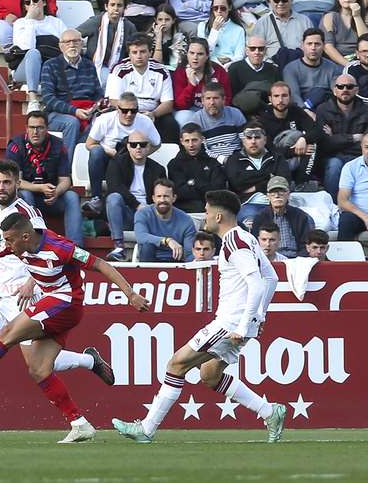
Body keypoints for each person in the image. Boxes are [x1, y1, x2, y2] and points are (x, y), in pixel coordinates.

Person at [0, 207, 150, 444]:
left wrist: (131, 294)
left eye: (10, 240)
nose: (6, 245)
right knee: (38, 369)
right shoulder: (16, 245)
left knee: (8, 333)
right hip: (54, 301)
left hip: (66, 302)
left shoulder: (61, 248)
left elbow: (101, 264)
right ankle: (79, 423)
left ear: (25, 237)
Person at [114, 190, 284, 444]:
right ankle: (270, 412)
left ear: (217, 215)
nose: (203, 215)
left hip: (229, 324)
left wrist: (246, 323)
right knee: (210, 376)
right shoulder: (245, 238)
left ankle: (146, 429)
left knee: (175, 365)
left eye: (205, 211)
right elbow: (272, 277)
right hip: (238, 323)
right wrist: (258, 318)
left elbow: (258, 284)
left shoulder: (235, 242)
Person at [5, 111, 83, 243]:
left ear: (47, 129)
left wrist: (56, 191)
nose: (35, 132)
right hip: (27, 198)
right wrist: (40, 188)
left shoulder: (59, 146)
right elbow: (16, 182)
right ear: (27, 129)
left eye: (39, 127)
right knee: (25, 194)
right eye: (32, 127)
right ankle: (33, 242)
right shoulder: (15, 147)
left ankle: (76, 248)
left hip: (51, 199)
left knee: (72, 196)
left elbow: (65, 180)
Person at [84, 91, 161, 213]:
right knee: (96, 152)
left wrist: (140, 153)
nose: (129, 114)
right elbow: (89, 144)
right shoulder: (104, 119)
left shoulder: (145, 121)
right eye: (125, 111)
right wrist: (112, 153)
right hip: (109, 159)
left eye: (134, 111)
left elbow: (157, 143)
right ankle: (96, 198)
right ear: (117, 108)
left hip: (132, 161)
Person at [39, 29, 106, 159]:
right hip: (59, 114)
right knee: (72, 122)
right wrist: (75, 111)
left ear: (82, 44)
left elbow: (98, 94)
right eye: (67, 42)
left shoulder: (89, 65)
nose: (72, 45)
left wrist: (98, 106)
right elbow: (48, 99)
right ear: (61, 46)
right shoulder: (50, 66)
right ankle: (66, 169)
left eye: (75, 41)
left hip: (87, 110)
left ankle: (94, 163)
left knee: (108, 117)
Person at [103, 129, 166, 261]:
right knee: (113, 198)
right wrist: (137, 206)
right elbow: (115, 187)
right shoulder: (117, 163)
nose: (138, 147)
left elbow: (163, 193)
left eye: (142, 144)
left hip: (149, 215)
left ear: (149, 147)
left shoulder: (158, 169)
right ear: (128, 146)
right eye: (133, 144)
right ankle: (119, 247)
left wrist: (148, 209)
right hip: (127, 212)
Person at [106, 34, 178, 143]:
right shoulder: (119, 69)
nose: (139, 56)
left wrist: (153, 114)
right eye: (135, 52)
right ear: (129, 54)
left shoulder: (161, 70)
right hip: (127, 112)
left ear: (150, 53)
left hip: (153, 112)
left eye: (143, 52)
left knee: (170, 124)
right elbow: (113, 100)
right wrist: (134, 113)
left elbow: (168, 103)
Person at [259, 81, 327, 188]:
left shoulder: (296, 111)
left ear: (291, 98)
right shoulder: (263, 120)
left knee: (311, 144)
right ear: (270, 99)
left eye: (284, 96)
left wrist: (304, 139)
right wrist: (294, 151)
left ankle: (302, 183)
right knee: (295, 135)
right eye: (276, 96)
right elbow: (269, 149)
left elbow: (317, 130)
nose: (280, 100)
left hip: (299, 159)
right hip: (277, 161)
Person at [225, 120, 293, 228]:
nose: (253, 141)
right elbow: (237, 181)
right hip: (248, 204)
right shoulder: (235, 159)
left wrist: (256, 186)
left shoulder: (276, 158)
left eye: (257, 138)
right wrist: (268, 176)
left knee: (308, 221)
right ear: (244, 141)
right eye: (249, 138)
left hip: (278, 203)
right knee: (253, 223)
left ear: (265, 140)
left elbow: (284, 181)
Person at [317, 73, 368, 197]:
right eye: (340, 86)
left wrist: (335, 138)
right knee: (335, 165)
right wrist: (353, 138)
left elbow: (366, 144)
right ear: (335, 91)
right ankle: (333, 207)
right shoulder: (323, 109)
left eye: (349, 87)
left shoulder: (366, 111)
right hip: (331, 157)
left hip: (357, 156)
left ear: (356, 90)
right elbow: (324, 144)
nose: (345, 90)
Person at [166, 121, 227, 213]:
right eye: (187, 141)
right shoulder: (174, 164)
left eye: (194, 140)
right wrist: (207, 188)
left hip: (213, 211)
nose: (191, 145)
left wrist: (194, 183)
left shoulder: (213, 163)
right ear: (182, 141)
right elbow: (180, 192)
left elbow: (219, 190)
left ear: (202, 139)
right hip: (186, 212)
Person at [133, 178, 197, 262]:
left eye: (166, 196)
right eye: (159, 196)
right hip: (149, 261)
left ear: (174, 198)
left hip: (174, 261)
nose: (162, 200)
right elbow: (141, 237)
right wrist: (167, 240)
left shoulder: (186, 220)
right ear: (153, 198)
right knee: (147, 246)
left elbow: (191, 253)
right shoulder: (142, 214)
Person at [250, 176, 313, 259]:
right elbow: (255, 245)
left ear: (288, 194)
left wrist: (298, 262)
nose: (276, 195)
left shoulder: (300, 215)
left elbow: (306, 244)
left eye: (281, 191)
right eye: (273, 192)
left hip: (295, 261)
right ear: (268, 196)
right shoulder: (260, 217)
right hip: (269, 261)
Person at [172, 38, 231, 125]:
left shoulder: (218, 71)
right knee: (183, 117)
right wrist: (192, 85)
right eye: (192, 53)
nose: (195, 57)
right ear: (187, 54)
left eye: (200, 54)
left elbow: (227, 98)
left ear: (207, 56)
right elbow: (180, 106)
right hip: (191, 110)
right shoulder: (181, 71)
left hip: (215, 109)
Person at [253, 0, 314, 64]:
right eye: (276, 0)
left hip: (300, 67)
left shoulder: (305, 21)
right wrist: (271, 65)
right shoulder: (262, 22)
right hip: (272, 68)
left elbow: (313, 46)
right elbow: (255, 50)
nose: (280, 3)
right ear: (270, 0)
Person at [283, 29, 344, 109]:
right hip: (301, 109)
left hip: (326, 107)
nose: (313, 48)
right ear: (303, 45)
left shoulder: (332, 67)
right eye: (309, 44)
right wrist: (304, 110)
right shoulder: (291, 68)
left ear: (324, 46)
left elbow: (336, 92)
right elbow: (294, 94)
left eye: (317, 44)